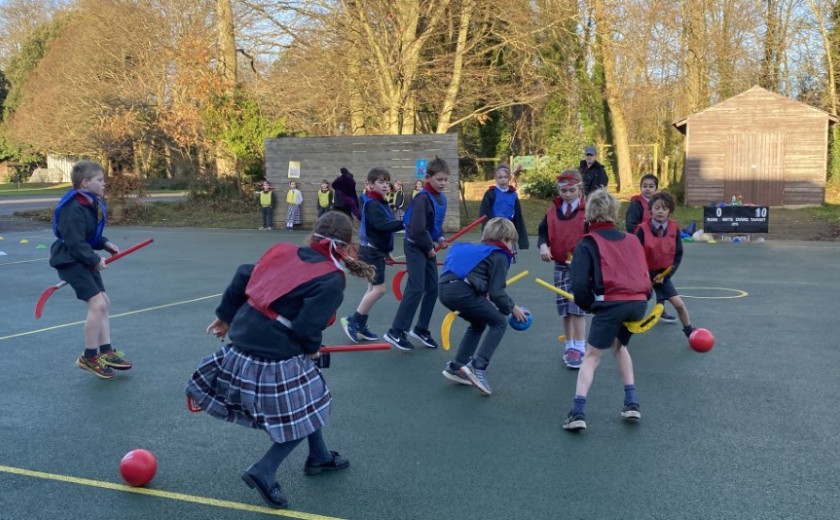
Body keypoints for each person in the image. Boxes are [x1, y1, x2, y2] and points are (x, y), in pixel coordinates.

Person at [185, 211, 375, 509]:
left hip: (245, 339)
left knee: (310, 397)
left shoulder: (286, 251)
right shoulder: (332, 279)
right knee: (305, 412)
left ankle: (320, 456)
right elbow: (305, 327)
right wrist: (312, 350)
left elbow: (244, 273)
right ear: (348, 245)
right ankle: (265, 469)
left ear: (313, 234)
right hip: (273, 354)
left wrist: (225, 317)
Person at [562, 188, 652, 432]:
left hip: (611, 303)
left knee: (591, 357)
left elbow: (579, 286)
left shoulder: (587, 243)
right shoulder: (632, 239)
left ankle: (577, 411)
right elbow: (643, 273)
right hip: (638, 303)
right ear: (614, 212)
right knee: (619, 346)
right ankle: (632, 403)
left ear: (589, 212)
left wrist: (590, 306)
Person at [49, 161, 130, 379]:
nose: (104, 184)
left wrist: (104, 243)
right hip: (70, 260)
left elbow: (87, 234)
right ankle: (88, 357)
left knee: (105, 302)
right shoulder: (72, 207)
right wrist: (94, 259)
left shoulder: (89, 203)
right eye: (100, 180)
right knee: (97, 304)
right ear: (85, 182)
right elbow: (74, 241)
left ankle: (106, 352)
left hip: (82, 257)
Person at [438, 217, 529, 395]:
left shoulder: (477, 249)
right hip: (463, 292)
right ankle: (478, 365)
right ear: (505, 239)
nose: (512, 247)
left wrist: (494, 303)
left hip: (444, 290)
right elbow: (497, 292)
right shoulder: (498, 255)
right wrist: (512, 308)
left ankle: (456, 367)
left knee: (478, 323)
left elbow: (480, 285)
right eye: (512, 242)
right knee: (499, 322)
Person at [383, 157, 450, 351]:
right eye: (439, 179)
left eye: (446, 179)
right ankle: (396, 331)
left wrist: (440, 238)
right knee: (416, 287)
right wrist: (429, 247)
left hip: (427, 244)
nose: (443, 183)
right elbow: (416, 229)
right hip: (414, 245)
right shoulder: (422, 198)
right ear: (428, 178)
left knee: (432, 288)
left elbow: (434, 225)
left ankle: (421, 329)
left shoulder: (442, 199)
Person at [341, 168, 405, 343]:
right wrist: (405, 222)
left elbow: (380, 230)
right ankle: (354, 321)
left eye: (386, 182)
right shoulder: (372, 203)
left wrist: (386, 253)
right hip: (370, 251)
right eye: (380, 182)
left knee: (372, 289)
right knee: (379, 289)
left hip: (375, 250)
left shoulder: (379, 201)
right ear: (369, 184)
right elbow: (382, 225)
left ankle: (360, 324)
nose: (385, 186)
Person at [537, 170, 588, 369]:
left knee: (577, 307)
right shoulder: (552, 212)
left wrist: (583, 259)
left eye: (571, 190)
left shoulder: (587, 211)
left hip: (581, 267)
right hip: (560, 264)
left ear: (580, 189)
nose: (567, 194)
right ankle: (569, 345)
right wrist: (543, 245)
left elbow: (595, 237)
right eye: (563, 191)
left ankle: (581, 348)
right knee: (565, 309)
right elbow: (543, 232)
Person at [634, 192, 697, 338]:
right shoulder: (642, 230)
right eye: (657, 208)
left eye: (664, 208)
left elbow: (677, 255)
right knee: (635, 305)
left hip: (663, 275)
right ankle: (622, 330)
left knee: (679, 305)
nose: (660, 211)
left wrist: (666, 275)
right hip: (644, 276)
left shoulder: (674, 229)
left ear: (670, 210)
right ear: (651, 210)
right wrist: (645, 276)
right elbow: (635, 256)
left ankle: (689, 332)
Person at [624, 174, 677, 324]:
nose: (647, 189)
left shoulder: (660, 206)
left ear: (656, 188)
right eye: (644, 186)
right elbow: (630, 225)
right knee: (642, 283)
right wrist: (645, 234)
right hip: (641, 249)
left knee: (660, 281)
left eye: (651, 186)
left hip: (658, 251)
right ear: (640, 188)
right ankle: (632, 312)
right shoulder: (636, 204)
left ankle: (660, 310)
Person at [478, 163, 529, 251]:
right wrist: (488, 229)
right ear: (496, 178)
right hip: (493, 229)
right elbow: (483, 213)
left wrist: (523, 241)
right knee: (493, 255)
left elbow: (518, 217)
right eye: (500, 177)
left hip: (508, 229)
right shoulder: (490, 193)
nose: (503, 180)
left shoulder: (513, 195)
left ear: (509, 178)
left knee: (507, 256)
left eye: (505, 177)